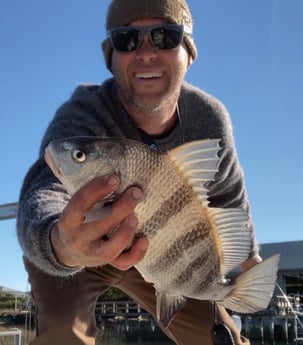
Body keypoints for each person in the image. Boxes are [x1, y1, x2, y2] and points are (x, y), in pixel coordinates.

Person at [17, 0, 262, 344]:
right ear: (111, 58)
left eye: (165, 36)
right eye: (126, 39)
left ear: (189, 54)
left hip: (173, 256)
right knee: (62, 332)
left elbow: (230, 199)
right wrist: (59, 243)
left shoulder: (208, 118)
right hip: (84, 250)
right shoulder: (83, 112)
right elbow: (45, 188)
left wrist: (251, 267)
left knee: (222, 340)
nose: (146, 52)